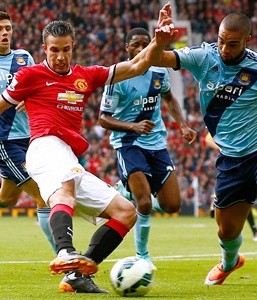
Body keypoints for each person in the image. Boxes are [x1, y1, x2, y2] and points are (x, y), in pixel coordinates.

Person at [0, 15, 175, 293]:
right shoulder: (29, 75)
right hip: (44, 146)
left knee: (125, 212)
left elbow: (137, 64)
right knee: (64, 191)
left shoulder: (86, 75)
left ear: (73, 47)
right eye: (54, 49)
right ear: (44, 49)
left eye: (65, 49)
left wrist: (158, 41)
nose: (60, 56)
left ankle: (77, 274)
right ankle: (65, 252)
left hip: (69, 156)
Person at [146, 3, 257, 286]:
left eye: (233, 44)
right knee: (226, 233)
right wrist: (159, 41)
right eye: (221, 41)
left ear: (247, 41)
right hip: (230, 160)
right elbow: (157, 59)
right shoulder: (203, 57)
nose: (225, 49)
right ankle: (230, 262)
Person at [99, 27, 197, 270]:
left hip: (156, 144)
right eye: (136, 44)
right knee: (143, 204)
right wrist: (132, 127)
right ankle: (142, 255)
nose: (141, 48)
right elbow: (103, 118)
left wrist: (183, 125)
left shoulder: (159, 72)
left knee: (173, 205)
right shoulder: (118, 76)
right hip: (128, 143)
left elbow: (168, 98)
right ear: (128, 48)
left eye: (146, 43)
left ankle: (126, 190)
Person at [0, 11, 55, 252]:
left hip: (29, 137)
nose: (5, 33)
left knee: (8, 199)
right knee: (43, 195)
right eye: (0, 29)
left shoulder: (24, 58)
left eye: (8, 28)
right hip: (5, 141)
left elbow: (38, 85)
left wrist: (30, 98)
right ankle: (67, 263)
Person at [205, 133, 257, 242]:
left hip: (244, 163)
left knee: (245, 198)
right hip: (229, 165)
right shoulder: (225, 124)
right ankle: (217, 196)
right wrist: (221, 147)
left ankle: (217, 197)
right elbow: (207, 139)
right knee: (244, 198)